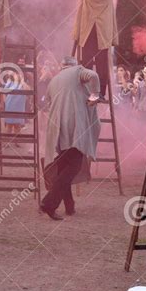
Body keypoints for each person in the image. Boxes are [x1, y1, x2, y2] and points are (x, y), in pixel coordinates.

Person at [41, 56, 101, 220]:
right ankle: (48, 203)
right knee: (73, 166)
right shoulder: (77, 71)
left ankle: (69, 206)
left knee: (63, 168)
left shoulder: (54, 80)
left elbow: (48, 103)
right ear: (74, 66)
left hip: (57, 130)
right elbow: (94, 76)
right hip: (73, 127)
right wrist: (95, 95)